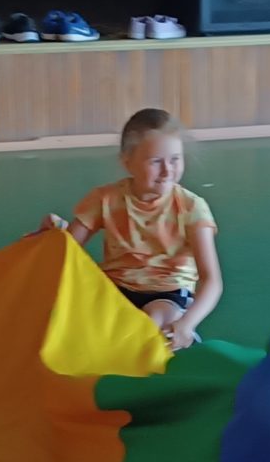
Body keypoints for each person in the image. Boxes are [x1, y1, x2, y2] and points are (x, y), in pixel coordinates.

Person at [45, 108, 223, 352]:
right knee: (73, 328)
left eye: (175, 159)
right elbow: (68, 249)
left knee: (153, 324)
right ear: (127, 162)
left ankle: (180, 336)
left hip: (167, 292)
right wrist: (55, 233)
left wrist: (187, 324)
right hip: (114, 290)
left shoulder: (192, 207)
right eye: (156, 161)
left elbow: (211, 280)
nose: (167, 170)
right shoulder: (105, 199)